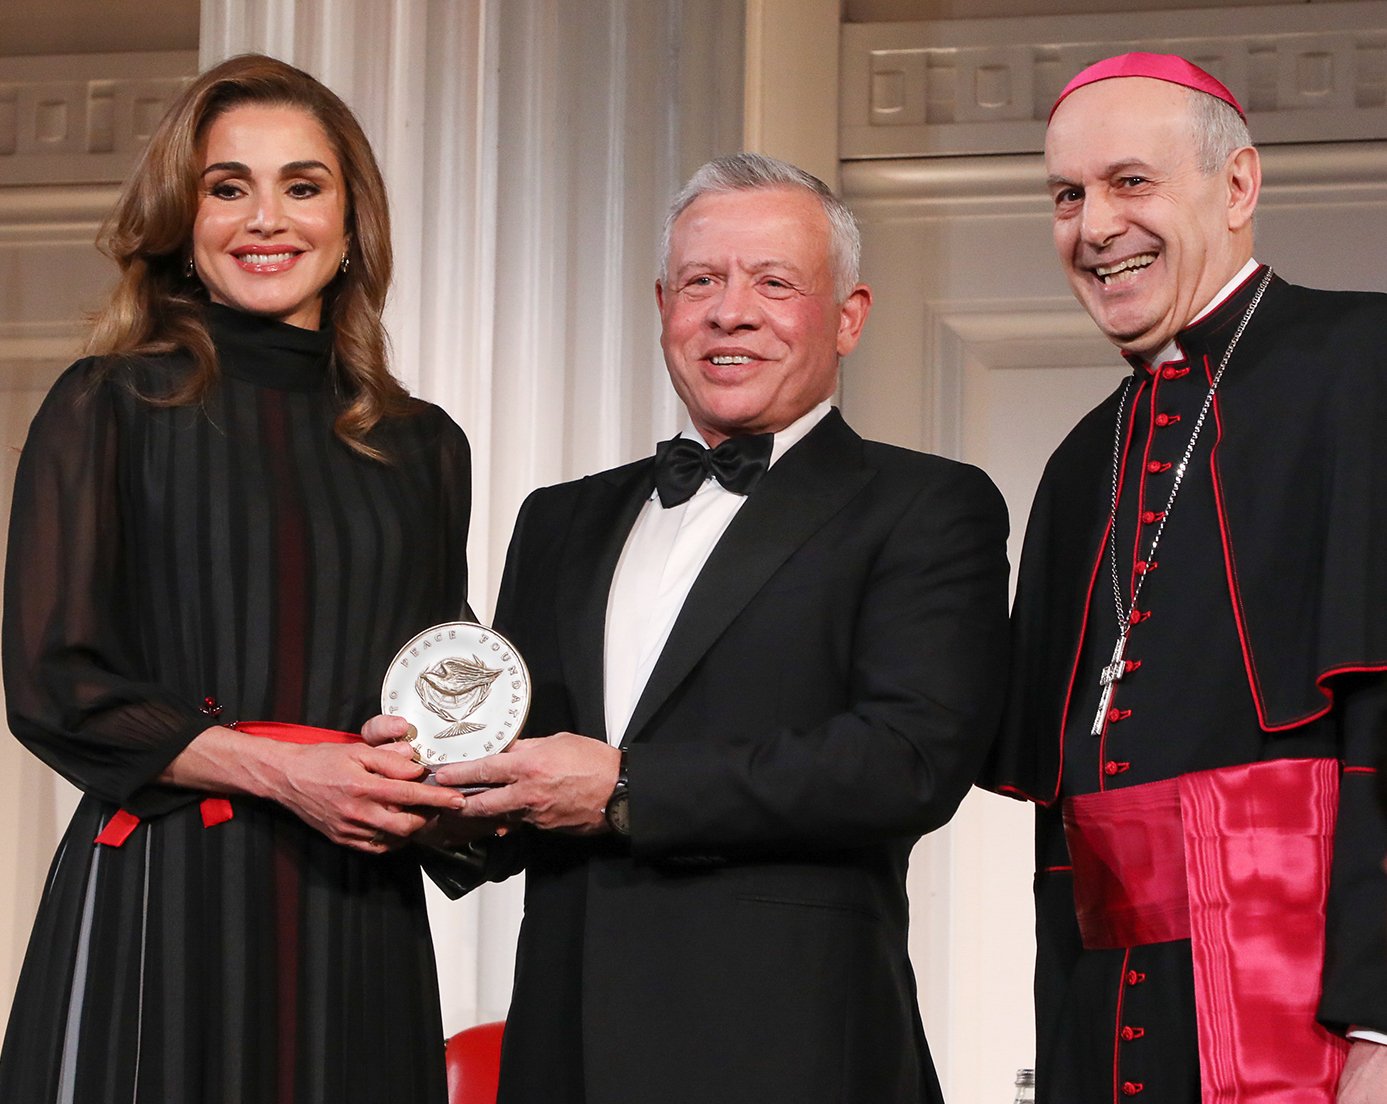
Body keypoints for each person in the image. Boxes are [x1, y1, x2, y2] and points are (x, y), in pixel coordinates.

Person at [368, 151, 1010, 1104]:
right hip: (565, 1046)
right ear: (662, 305)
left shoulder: (925, 505)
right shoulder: (560, 518)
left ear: (848, 316)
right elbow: (521, 786)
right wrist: (428, 786)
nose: (730, 311)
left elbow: (907, 760)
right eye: (701, 281)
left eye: (774, 282)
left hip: (791, 1051)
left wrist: (625, 787)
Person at [0, 54, 471, 1103]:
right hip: (166, 898)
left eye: (303, 186)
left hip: (357, 915)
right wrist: (285, 772)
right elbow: (52, 684)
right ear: (185, 219)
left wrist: (442, 787)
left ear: (352, 228)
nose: (267, 219)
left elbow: (437, 681)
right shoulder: (107, 406)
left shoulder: (425, 446)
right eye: (229, 187)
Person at [983, 52, 1387, 1103]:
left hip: (1313, 1013)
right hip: (1119, 1019)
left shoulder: (1366, 364)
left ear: (1239, 186)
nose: (1094, 226)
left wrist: (1385, 1031)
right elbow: (1062, 837)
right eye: (1067, 196)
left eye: (1130, 182)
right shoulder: (1083, 461)